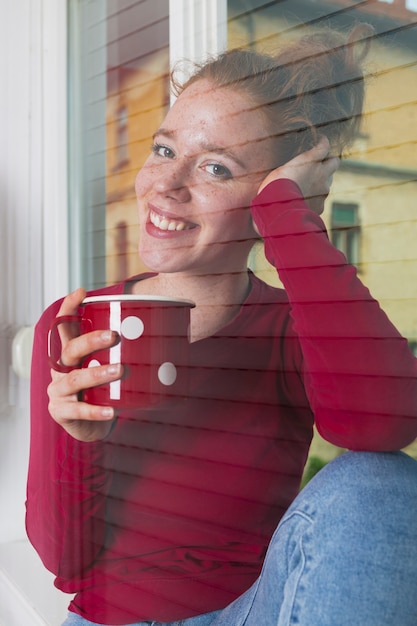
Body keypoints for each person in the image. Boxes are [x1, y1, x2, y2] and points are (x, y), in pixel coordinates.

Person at [26, 24, 417, 626]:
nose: (168, 184)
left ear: (268, 194)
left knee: (381, 479)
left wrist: (290, 216)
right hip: (112, 617)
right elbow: (66, 564)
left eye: (215, 168)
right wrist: (75, 443)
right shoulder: (75, 322)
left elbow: (386, 421)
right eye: (164, 150)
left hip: (248, 612)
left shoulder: (289, 327)